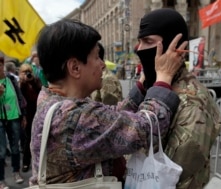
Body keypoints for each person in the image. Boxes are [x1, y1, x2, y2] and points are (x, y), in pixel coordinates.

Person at [29, 19, 187, 186]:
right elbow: (144, 129)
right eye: (97, 57)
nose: (103, 65)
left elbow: (110, 119)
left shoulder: (51, 100)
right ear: (75, 68)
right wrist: (164, 77)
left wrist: (141, 85)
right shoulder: (73, 116)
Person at [136, 8, 221, 189]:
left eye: (147, 41)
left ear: (174, 47)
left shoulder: (193, 102)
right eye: (139, 41)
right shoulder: (154, 88)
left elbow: (174, 174)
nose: (139, 49)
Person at [0, 56, 26, 189]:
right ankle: (1, 180)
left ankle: (16, 172)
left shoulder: (10, 80)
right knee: (1, 151)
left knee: (15, 147)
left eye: (0, 65)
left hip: (13, 117)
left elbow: (19, 97)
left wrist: (23, 115)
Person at [18, 63, 42, 173]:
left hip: (37, 112)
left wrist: (32, 81)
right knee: (28, 139)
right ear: (20, 73)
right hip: (27, 114)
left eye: (29, 71)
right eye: (25, 72)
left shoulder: (35, 80)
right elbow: (20, 99)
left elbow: (40, 92)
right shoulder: (19, 84)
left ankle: (39, 162)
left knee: (39, 138)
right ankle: (26, 162)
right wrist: (23, 82)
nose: (28, 74)